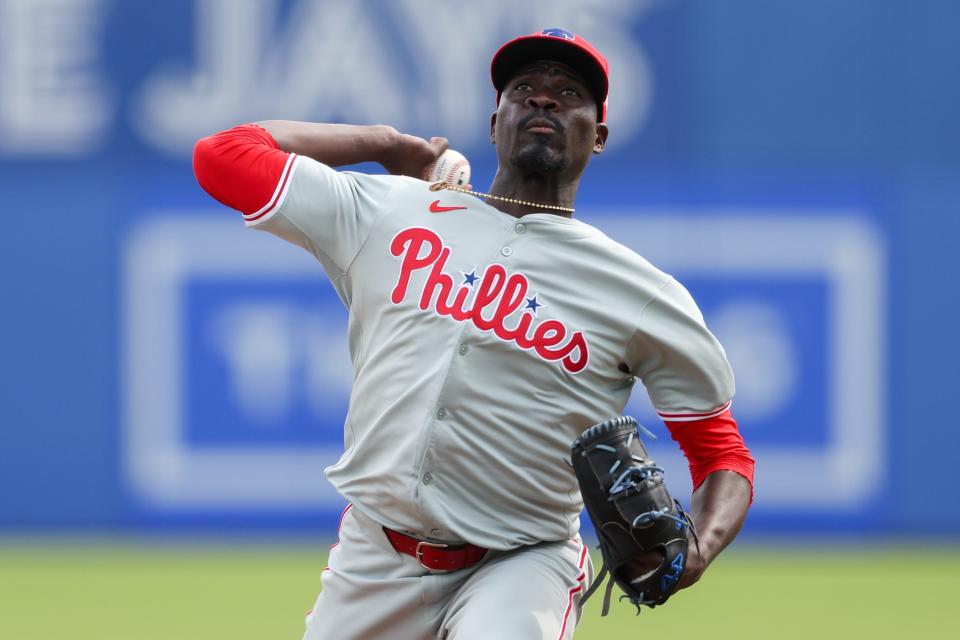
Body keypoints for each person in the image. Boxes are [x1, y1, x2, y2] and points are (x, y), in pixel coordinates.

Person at [193, 28, 753, 640]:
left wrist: (698, 551)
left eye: (568, 93)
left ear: (599, 137)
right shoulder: (390, 210)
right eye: (524, 89)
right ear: (495, 123)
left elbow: (722, 455)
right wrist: (383, 142)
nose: (544, 101)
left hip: (522, 561)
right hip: (375, 556)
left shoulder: (639, 291)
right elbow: (222, 155)